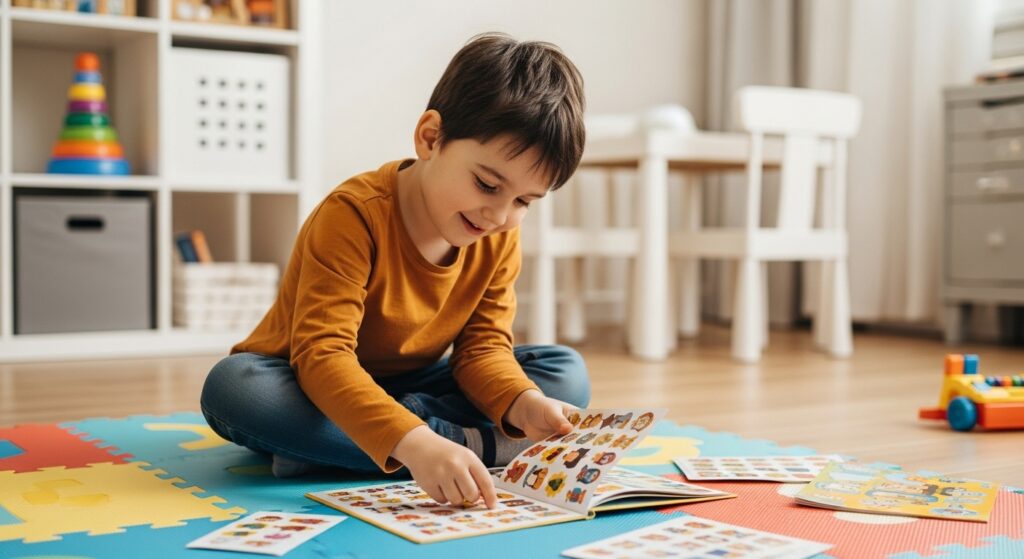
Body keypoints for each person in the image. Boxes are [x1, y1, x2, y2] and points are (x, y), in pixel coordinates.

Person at [200, 32, 589, 510]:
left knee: (564, 375)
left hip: (419, 381)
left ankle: (347, 447)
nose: (499, 216)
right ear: (430, 138)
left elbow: (484, 349)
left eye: (525, 202)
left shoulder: (498, 233)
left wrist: (523, 404)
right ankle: (469, 448)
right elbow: (323, 357)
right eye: (487, 184)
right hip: (308, 376)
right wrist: (417, 441)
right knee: (235, 390)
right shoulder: (353, 214)